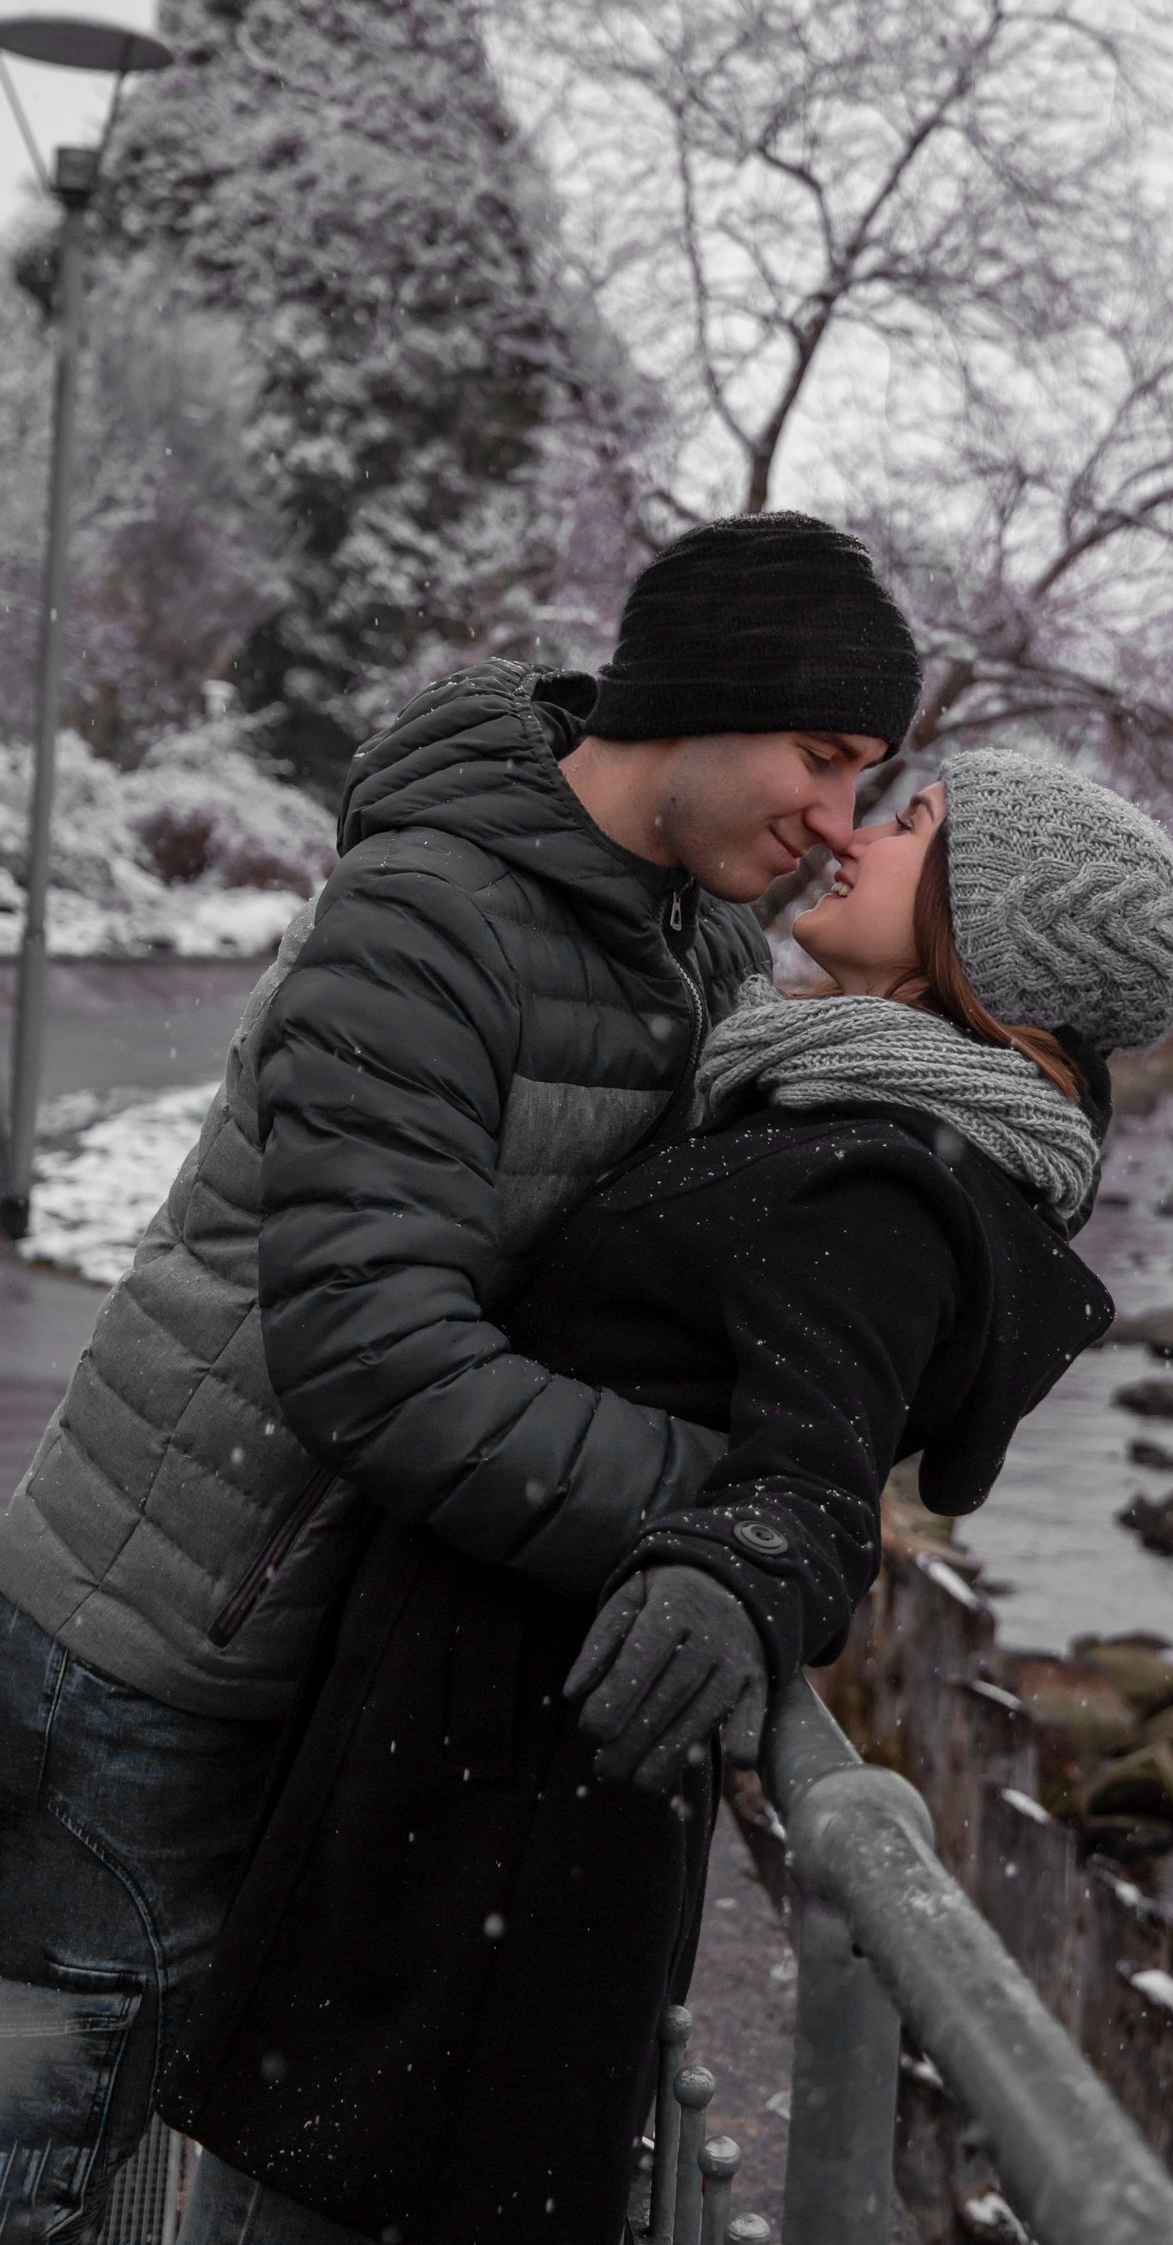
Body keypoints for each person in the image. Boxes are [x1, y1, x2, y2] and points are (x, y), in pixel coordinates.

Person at [160, 749, 1173, 2245]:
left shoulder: (882, 1182)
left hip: (492, 1808)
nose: (856, 836)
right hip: (480, 1776)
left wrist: (736, 1570)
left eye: (912, 825)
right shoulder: (840, 1114)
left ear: (995, 925)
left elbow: (813, 1478)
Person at [0, 512, 924, 2244]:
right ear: (704, 694)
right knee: (45, 2160)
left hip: (315, 1659)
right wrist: (718, 1505)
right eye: (823, 754)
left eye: (868, 779)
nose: (837, 818)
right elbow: (378, 1357)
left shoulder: (693, 945)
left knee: (185, 2136)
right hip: (147, 1654)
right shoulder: (427, 914)